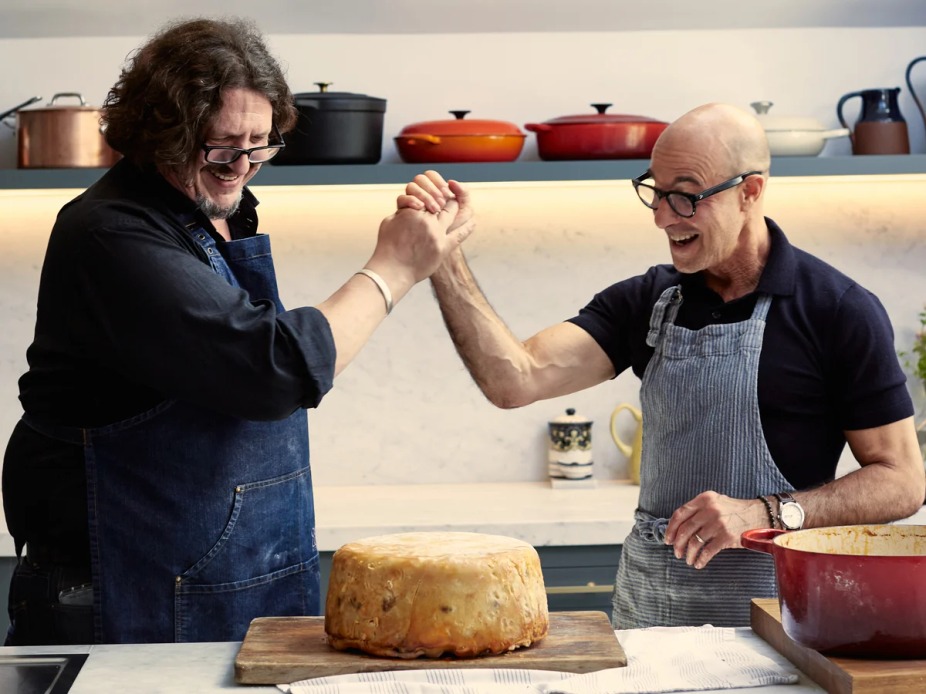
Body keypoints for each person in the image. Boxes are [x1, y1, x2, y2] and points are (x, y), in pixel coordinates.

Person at [2, 17, 472, 645]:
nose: (242, 165)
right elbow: (272, 370)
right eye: (220, 145)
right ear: (159, 132)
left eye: (260, 143)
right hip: (123, 590)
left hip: (236, 576)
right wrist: (393, 268)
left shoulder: (213, 212)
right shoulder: (112, 234)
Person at [401, 103, 926, 629]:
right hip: (647, 628)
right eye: (655, 190)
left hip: (777, 629)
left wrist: (764, 513)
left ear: (751, 192)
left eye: (686, 194)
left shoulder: (837, 309)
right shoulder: (647, 301)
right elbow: (515, 379)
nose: (662, 215)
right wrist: (444, 256)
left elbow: (902, 480)